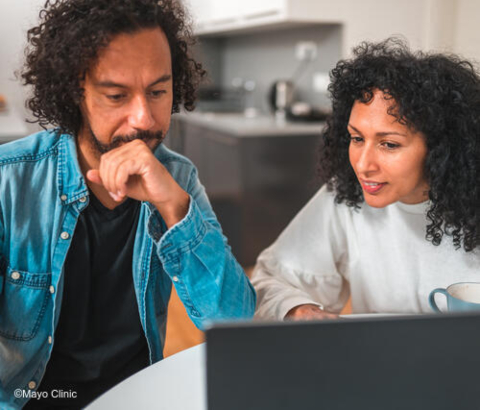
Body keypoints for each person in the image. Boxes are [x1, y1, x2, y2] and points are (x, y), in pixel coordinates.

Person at [0, 0, 256, 408]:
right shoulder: (10, 180)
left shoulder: (179, 178)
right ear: (75, 92)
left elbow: (237, 322)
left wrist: (174, 207)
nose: (143, 118)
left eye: (157, 91)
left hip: (137, 397)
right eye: (117, 95)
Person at [252, 38, 480, 321]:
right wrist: (299, 310)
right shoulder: (348, 195)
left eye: (389, 144)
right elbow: (270, 278)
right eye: (357, 138)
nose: (362, 164)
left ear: (441, 148)